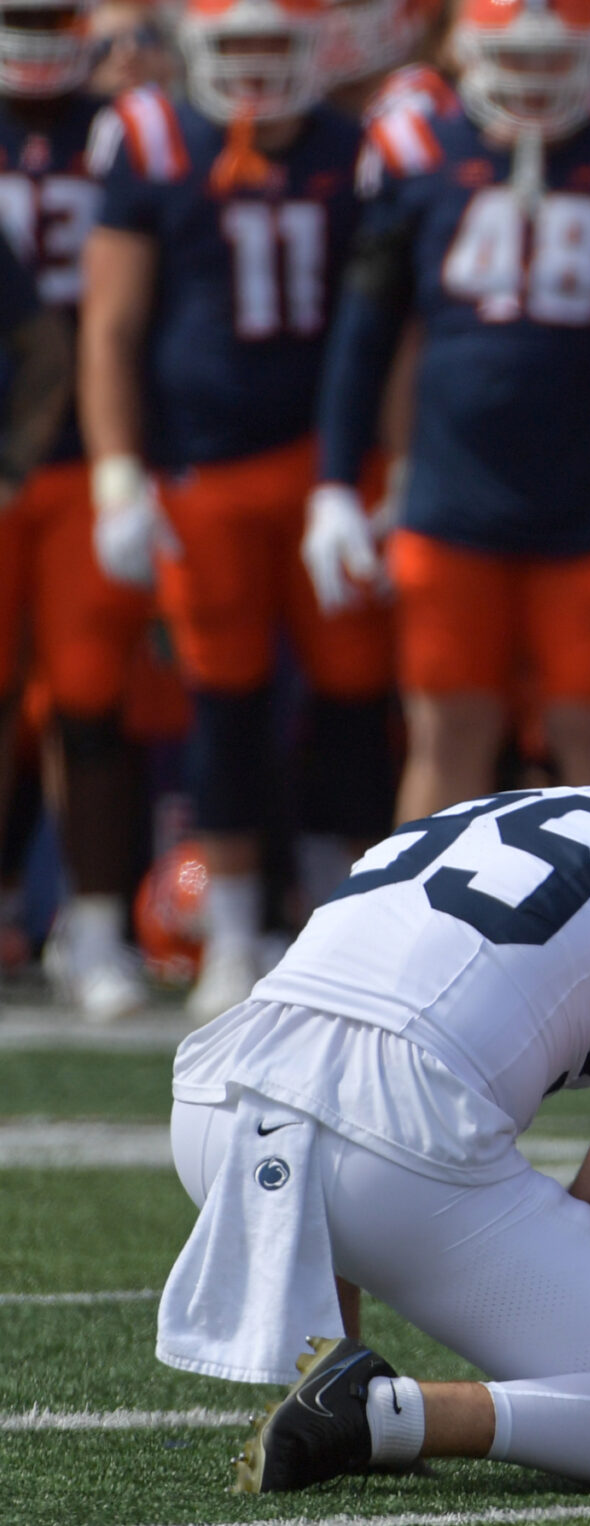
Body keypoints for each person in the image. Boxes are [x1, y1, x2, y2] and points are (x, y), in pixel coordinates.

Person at [157, 772, 590, 1497]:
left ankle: (332, 1374)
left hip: (218, 1108)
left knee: (377, 1099)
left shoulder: (543, 813)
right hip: (384, 1143)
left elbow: (349, 1041)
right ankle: (388, 1415)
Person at [81, 0, 398, 1020]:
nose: (257, 68)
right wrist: (119, 473)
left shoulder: (355, 149)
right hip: (201, 469)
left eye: (276, 44)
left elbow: (387, 323)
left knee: (355, 693)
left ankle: (334, 922)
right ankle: (232, 933)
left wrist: (378, 468)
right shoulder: (154, 138)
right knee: (223, 700)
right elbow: (112, 322)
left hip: (325, 466)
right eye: (239, 45)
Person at [312, 0, 590, 822]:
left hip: (587, 499)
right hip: (450, 500)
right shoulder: (420, 150)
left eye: (548, 60)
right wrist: (336, 481)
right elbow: (364, 334)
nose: (530, 80)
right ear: (468, 53)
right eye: (512, 59)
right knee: (447, 735)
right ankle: (418, 940)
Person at [0, 0, 152, 1022]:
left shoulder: (129, 129)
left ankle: (96, 923)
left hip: (87, 454)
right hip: (18, 451)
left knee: (94, 696)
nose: (40, 30)